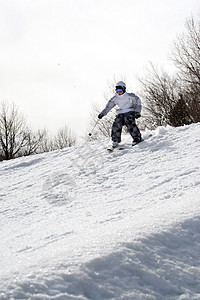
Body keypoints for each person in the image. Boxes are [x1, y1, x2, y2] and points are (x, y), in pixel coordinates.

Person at [98, 81, 142, 148]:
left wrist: (137, 112)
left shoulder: (130, 96)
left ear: (124, 89)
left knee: (129, 121)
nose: (119, 92)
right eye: (117, 90)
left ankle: (137, 138)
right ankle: (115, 140)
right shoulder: (115, 98)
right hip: (121, 112)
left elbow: (137, 101)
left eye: (120, 90)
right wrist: (103, 113)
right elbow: (108, 106)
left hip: (129, 111)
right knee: (117, 122)